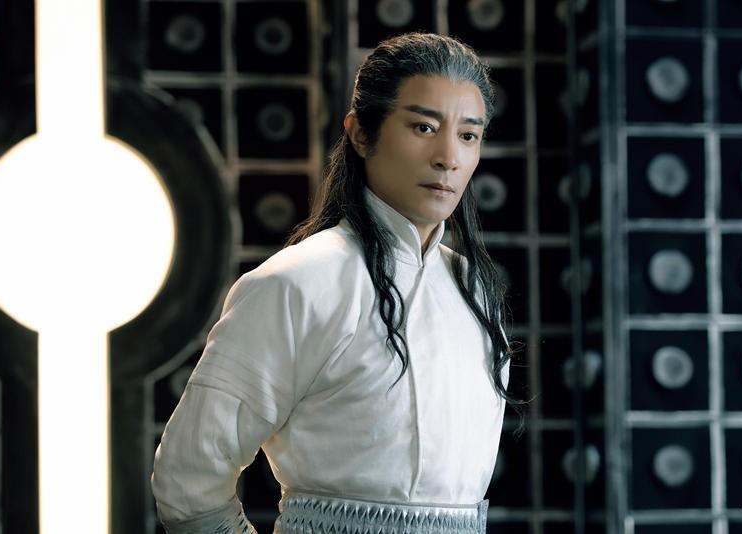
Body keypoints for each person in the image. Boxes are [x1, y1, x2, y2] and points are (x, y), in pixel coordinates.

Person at [151, 32, 518, 533]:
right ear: (361, 134)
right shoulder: (296, 284)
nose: (448, 157)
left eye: (469, 136)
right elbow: (186, 480)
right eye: (423, 127)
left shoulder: (474, 293)